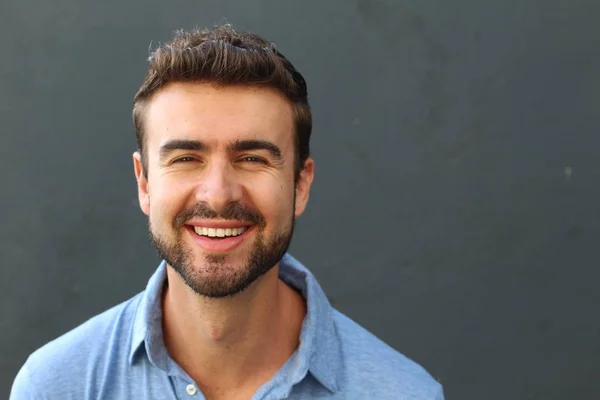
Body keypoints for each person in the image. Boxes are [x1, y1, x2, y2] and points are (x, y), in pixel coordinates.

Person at [10, 24, 444, 400]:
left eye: (253, 158)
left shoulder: (405, 393)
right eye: (185, 158)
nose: (218, 195)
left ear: (301, 183)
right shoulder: (54, 387)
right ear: (144, 183)